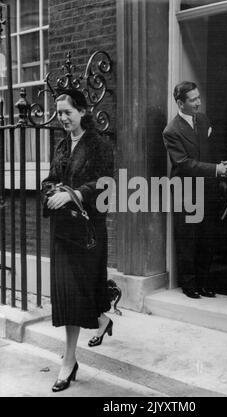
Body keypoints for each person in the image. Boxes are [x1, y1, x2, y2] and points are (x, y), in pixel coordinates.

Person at [42, 89, 114, 392]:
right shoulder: (61, 145)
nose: (62, 118)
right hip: (62, 233)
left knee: (78, 292)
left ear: (83, 111)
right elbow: (48, 179)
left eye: (67, 112)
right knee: (70, 296)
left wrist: (73, 194)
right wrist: (50, 191)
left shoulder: (99, 145)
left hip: (87, 233)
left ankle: (70, 359)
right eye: (59, 114)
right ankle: (73, 355)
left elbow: (106, 182)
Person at [163, 81, 227, 299]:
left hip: (208, 189)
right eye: (193, 100)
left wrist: (220, 173)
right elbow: (183, 163)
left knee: (207, 238)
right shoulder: (171, 130)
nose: (198, 103)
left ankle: (204, 282)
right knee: (188, 239)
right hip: (186, 193)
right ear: (180, 103)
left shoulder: (203, 120)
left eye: (198, 97)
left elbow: (210, 150)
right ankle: (189, 284)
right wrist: (216, 170)